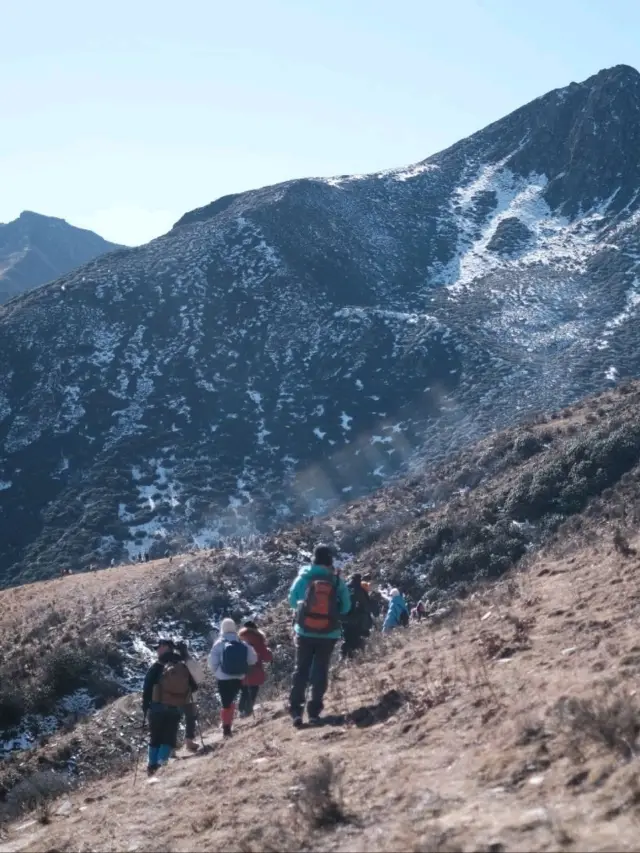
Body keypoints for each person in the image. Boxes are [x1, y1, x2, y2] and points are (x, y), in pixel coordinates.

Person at [288, 544, 351, 728]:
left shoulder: (304, 577)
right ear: (330, 560)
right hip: (329, 632)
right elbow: (346, 608)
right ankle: (314, 712)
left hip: (305, 631)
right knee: (321, 669)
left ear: (314, 559)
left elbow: (292, 601)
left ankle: (296, 712)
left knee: (301, 669)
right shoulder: (336, 581)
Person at [142, 639, 197, 776]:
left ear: (164, 648)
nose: (156, 650)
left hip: (157, 707)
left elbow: (147, 687)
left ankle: (151, 767)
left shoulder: (157, 666)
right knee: (168, 737)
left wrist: (145, 707)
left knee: (155, 737)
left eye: (158, 648)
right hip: (176, 707)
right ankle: (162, 765)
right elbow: (194, 686)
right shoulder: (181, 665)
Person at [208, 618, 258, 737]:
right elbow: (253, 659)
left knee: (226, 703)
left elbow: (211, 663)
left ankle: (226, 727)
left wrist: (218, 672)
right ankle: (229, 724)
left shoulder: (219, 644)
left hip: (223, 678)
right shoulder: (242, 643)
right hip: (239, 676)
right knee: (233, 700)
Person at [238, 620, 273, 717]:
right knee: (253, 691)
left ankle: (241, 710)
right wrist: (270, 654)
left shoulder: (239, 639)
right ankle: (248, 712)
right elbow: (266, 656)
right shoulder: (258, 638)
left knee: (244, 690)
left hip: (241, 670)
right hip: (255, 670)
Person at [175, 641, 205, 752]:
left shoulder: (170, 663)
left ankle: (170, 747)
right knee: (190, 718)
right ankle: (189, 741)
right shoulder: (190, 662)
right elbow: (200, 677)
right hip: (189, 695)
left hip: (173, 695)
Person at [341, 573, 373, 659]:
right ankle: (357, 660)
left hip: (343, 619)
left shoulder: (344, 588)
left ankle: (343, 660)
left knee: (347, 640)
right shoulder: (359, 589)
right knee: (356, 641)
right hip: (355, 620)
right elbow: (366, 606)